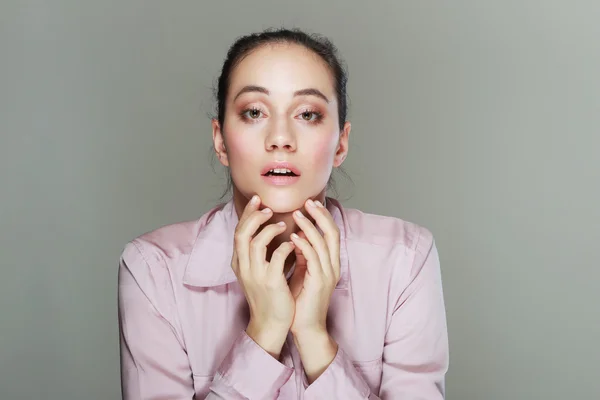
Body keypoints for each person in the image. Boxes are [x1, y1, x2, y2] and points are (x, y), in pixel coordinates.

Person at [118, 28, 449, 399]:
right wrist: (265, 331)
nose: (280, 137)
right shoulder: (153, 270)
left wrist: (314, 338)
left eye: (307, 114)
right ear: (220, 140)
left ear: (341, 143)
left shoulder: (404, 259)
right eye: (254, 112)